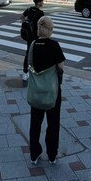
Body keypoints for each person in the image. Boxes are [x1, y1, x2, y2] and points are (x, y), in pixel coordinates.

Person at [28, 16, 65, 165]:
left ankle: (34, 154)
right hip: (52, 91)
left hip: (36, 91)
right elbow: (61, 67)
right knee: (53, 123)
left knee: (35, 123)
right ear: (50, 29)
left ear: (38, 28)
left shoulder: (33, 44)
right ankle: (52, 155)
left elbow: (29, 64)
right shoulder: (54, 45)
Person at [21, 0, 45, 81]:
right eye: (42, 1)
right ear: (38, 3)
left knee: (28, 53)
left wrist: (26, 22)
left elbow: (22, 17)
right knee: (37, 54)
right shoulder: (41, 13)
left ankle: (25, 72)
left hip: (29, 36)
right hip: (37, 37)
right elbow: (42, 26)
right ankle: (35, 71)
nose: (43, 3)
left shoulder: (29, 9)